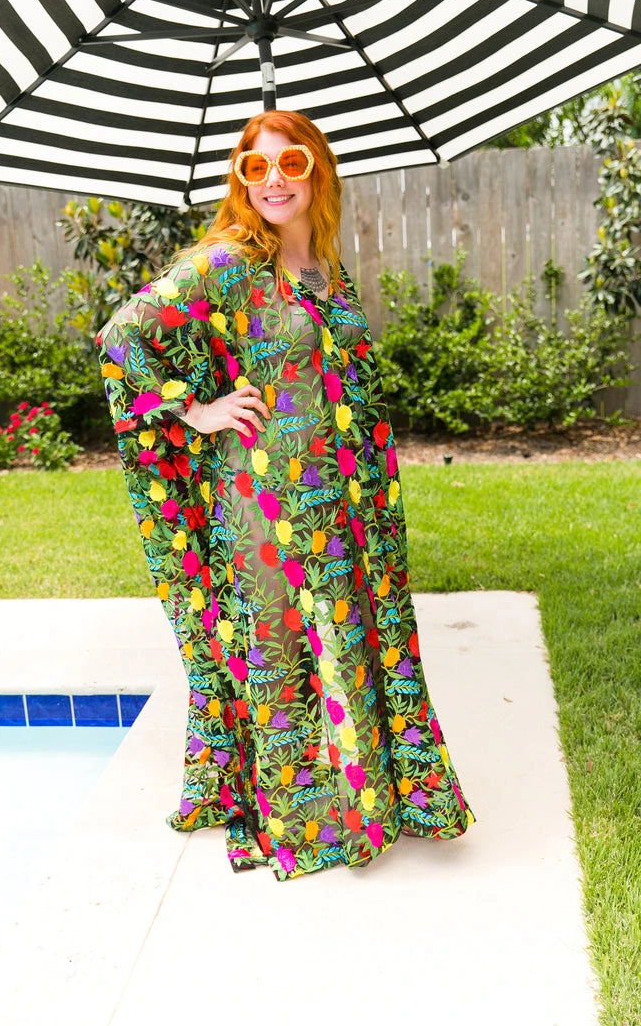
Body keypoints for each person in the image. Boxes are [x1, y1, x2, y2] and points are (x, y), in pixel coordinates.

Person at [96, 110, 476, 882]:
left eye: (290, 163)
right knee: (288, 664)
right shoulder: (229, 264)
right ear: (240, 180)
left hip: (346, 505)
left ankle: (372, 798)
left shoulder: (326, 268)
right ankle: (312, 821)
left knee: (353, 647)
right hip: (270, 507)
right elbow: (121, 334)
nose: (273, 180)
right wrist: (196, 409)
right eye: (255, 167)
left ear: (318, 170)